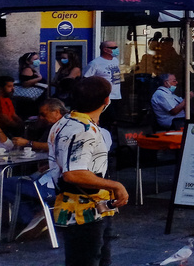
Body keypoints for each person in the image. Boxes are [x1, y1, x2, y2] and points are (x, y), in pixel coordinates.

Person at [48, 75, 127, 266]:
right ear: (106, 100)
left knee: (97, 258)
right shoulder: (82, 129)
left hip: (93, 207)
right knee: (87, 260)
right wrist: (115, 185)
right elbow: (73, 173)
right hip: (82, 211)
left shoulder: (65, 122)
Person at [83, 40, 123, 118]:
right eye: (114, 48)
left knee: (116, 119)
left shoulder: (115, 61)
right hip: (104, 97)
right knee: (109, 119)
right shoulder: (95, 63)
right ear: (105, 50)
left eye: (116, 47)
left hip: (117, 95)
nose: (116, 49)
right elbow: (86, 79)